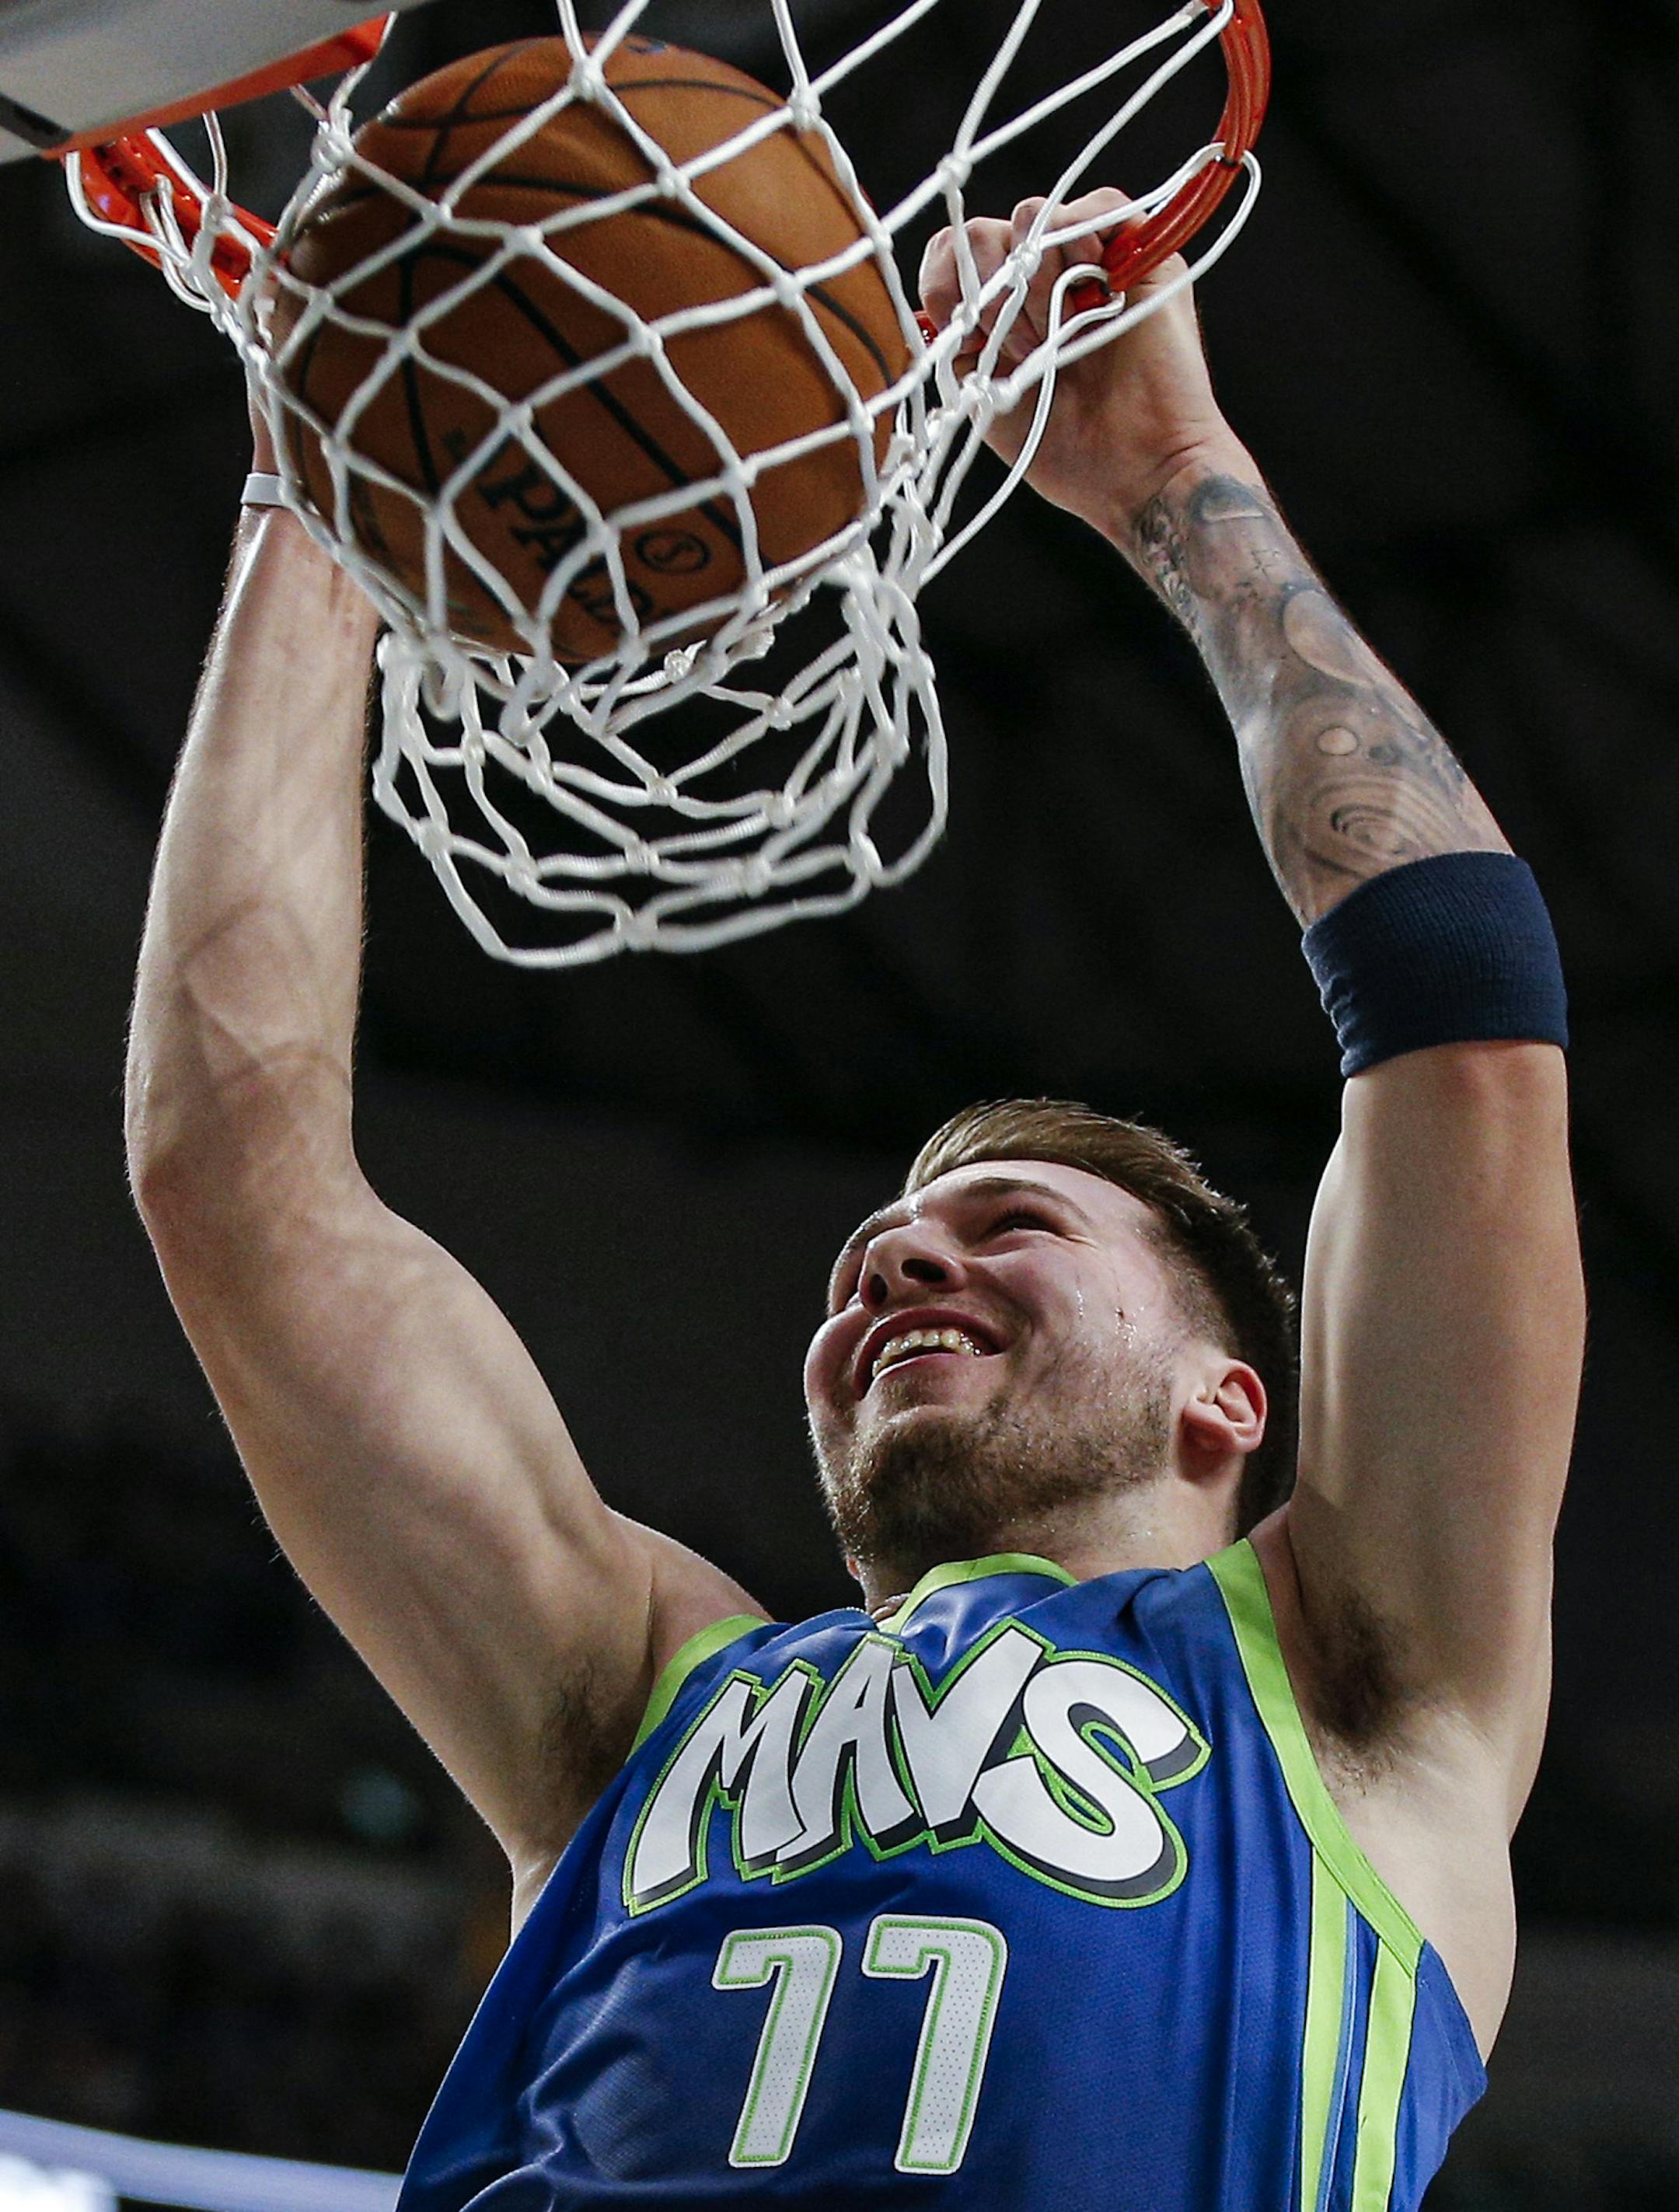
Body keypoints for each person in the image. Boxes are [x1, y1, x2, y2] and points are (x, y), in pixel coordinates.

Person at [125, 189, 1583, 2207]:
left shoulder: (1355, 1667)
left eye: (1014, 1231)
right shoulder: (643, 1687)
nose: (903, 1251)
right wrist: (321, 488)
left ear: (1228, 1397)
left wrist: (1179, 481)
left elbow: (1466, 1035)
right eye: (884, 1248)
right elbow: (236, 1176)